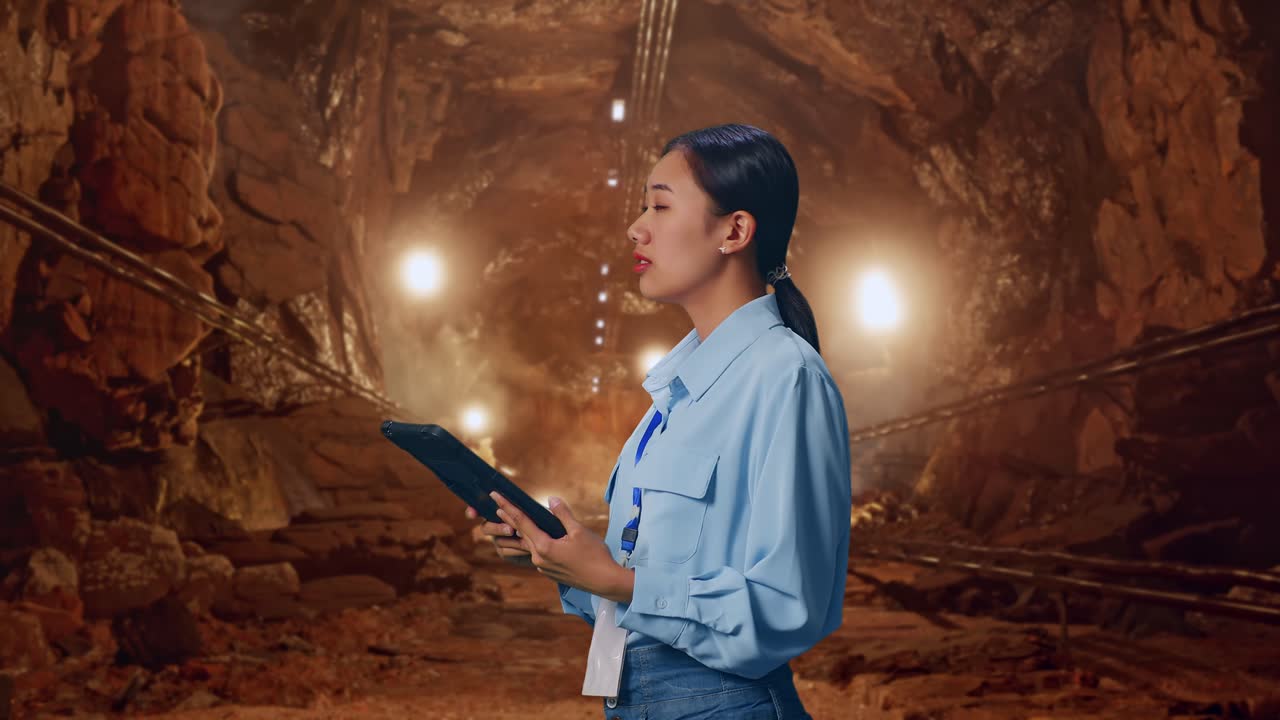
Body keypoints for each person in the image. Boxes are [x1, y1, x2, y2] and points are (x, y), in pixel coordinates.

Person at [466, 123, 851, 719]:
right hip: (634, 698)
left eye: (660, 206)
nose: (636, 227)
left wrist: (623, 584)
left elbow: (789, 607)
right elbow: (652, 595)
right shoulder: (672, 394)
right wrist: (559, 560)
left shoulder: (784, 375)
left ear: (735, 230)